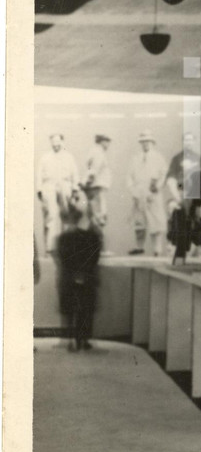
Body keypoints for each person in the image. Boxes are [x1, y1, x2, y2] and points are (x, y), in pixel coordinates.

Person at [56, 187, 102, 352]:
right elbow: (64, 255)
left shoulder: (91, 234)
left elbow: (94, 253)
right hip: (73, 273)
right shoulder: (68, 235)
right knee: (74, 307)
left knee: (84, 307)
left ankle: (81, 338)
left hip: (84, 273)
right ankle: (74, 338)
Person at [127, 130, 167, 256]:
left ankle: (157, 249)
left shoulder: (158, 158)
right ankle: (139, 247)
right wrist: (133, 191)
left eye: (148, 141)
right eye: (143, 142)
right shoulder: (135, 158)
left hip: (152, 192)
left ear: (152, 142)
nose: (145, 144)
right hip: (139, 192)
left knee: (156, 220)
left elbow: (163, 174)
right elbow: (129, 176)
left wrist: (157, 188)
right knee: (139, 222)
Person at [37, 132, 79, 253]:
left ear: (62, 142)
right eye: (53, 142)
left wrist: (75, 188)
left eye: (58, 142)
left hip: (65, 187)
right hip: (49, 187)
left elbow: (74, 173)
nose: (56, 145)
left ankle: (67, 245)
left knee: (66, 215)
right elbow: (39, 174)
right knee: (52, 215)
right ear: (51, 143)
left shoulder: (69, 157)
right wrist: (39, 189)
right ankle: (51, 246)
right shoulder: (45, 157)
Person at [83, 134, 112, 233]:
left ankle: (94, 242)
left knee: (94, 215)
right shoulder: (98, 152)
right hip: (96, 187)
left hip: (94, 187)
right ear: (101, 141)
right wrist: (88, 181)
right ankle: (98, 244)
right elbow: (94, 170)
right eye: (107, 141)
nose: (108, 144)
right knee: (99, 216)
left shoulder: (94, 151)